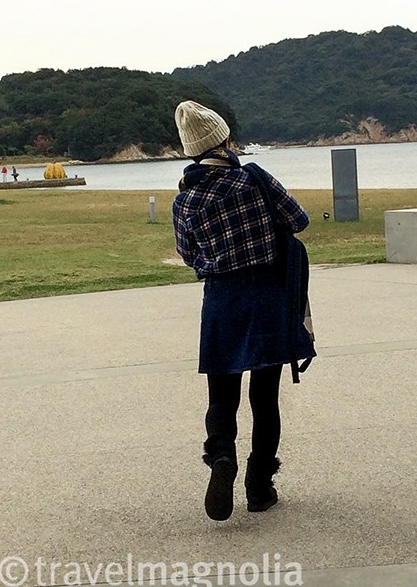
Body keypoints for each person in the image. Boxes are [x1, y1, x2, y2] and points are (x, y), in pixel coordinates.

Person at [172, 100, 314, 522]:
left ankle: (221, 458)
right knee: (265, 398)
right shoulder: (255, 178)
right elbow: (299, 220)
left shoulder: (186, 200)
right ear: (225, 139)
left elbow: (187, 255)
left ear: (190, 150)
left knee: (222, 394)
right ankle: (259, 486)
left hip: (222, 301)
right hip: (268, 296)